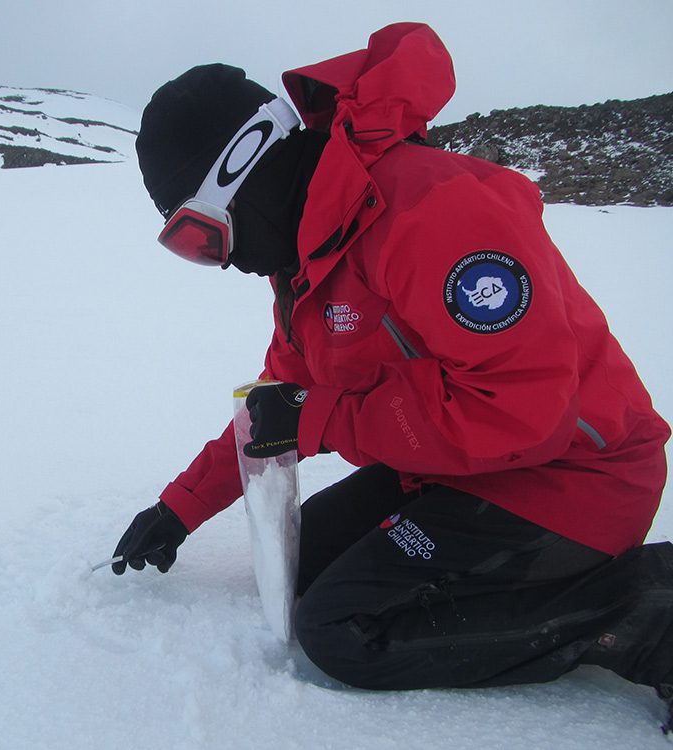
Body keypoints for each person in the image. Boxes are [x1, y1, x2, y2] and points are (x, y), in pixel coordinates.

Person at [111, 22, 673, 729]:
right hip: (457, 468)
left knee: (342, 629)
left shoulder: (429, 212)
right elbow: (278, 398)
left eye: (204, 236)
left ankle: (644, 613)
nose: (221, 261)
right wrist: (180, 508)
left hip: (574, 479)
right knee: (297, 563)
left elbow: (523, 410)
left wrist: (322, 418)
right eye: (192, 247)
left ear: (248, 167)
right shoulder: (309, 258)